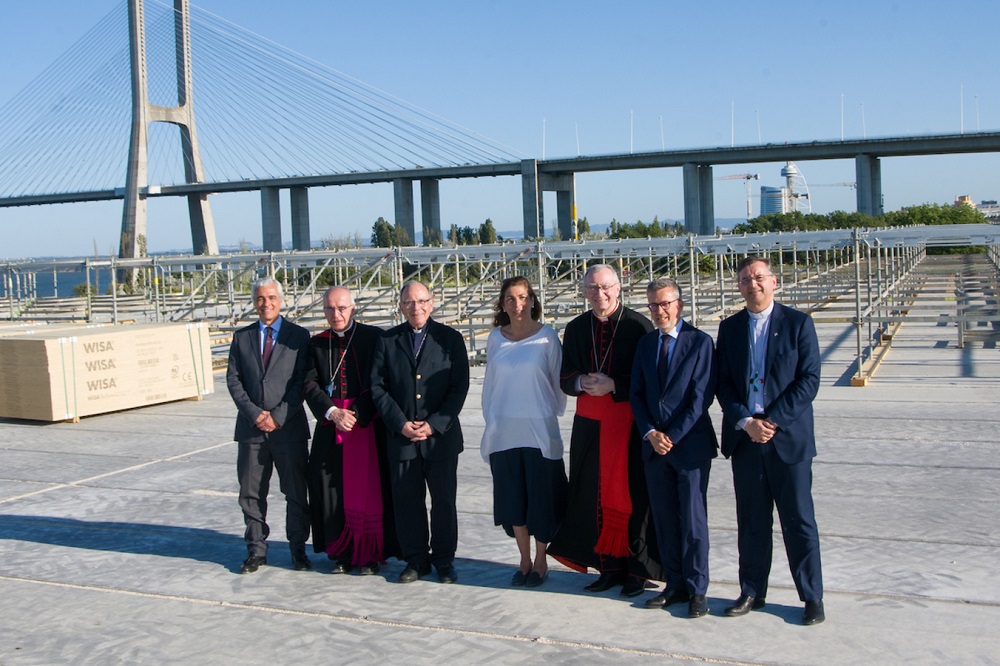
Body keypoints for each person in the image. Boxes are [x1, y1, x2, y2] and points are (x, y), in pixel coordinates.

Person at [716, 255, 825, 626]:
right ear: (739, 286)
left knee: (798, 521)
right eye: (745, 279)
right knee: (751, 521)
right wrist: (746, 421)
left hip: (787, 440)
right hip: (746, 439)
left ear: (774, 282)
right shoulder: (729, 329)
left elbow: (809, 379)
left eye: (759, 277)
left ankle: (811, 596)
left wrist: (772, 421)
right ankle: (751, 590)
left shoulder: (797, 324)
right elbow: (724, 383)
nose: (752, 284)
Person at [549, 263, 663, 598]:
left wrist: (615, 384)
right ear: (584, 292)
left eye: (606, 287)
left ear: (619, 287)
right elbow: (565, 376)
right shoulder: (576, 328)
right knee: (591, 494)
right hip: (588, 423)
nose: (600, 295)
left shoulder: (639, 326)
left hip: (628, 422)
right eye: (592, 289)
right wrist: (582, 381)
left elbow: (650, 381)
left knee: (631, 494)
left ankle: (636, 570)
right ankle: (607, 566)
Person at [370, 280, 470, 584]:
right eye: (409, 303)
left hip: (440, 438)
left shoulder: (450, 339)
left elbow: (459, 387)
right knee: (407, 503)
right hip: (401, 438)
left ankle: (443, 561)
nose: (416, 308)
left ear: (432, 302)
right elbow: (377, 386)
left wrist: (434, 423)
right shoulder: (388, 340)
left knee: (443, 502)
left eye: (422, 301)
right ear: (401, 306)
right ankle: (415, 560)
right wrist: (399, 423)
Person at [630, 277, 717, 618]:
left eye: (665, 303)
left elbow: (700, 398)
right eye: (653, 305)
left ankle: (697, 590)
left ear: (679, 305)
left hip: (689, 447)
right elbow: (637, 394)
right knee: (665, 519)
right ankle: (674, 584)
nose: (659, 310)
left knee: (693, 522)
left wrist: (672, 436)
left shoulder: (700, 343)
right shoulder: (646, 345)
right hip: (654, 448)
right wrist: (651, 432)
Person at [302, 286, 398, 575]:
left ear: (353, 308)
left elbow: (381, 381)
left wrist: (355, 413)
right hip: (331, 426)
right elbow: (309, 383)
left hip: (365, 425)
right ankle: (341, 552)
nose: (336, 314)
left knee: (369, 490)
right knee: (330, 489)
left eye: (342, 308)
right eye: (330, 309)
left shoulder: (374, 338)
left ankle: (369, 554)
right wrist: (332, 412)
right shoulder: (316, 343)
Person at [481, 276, 568, 588]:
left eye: (522, 297)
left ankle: (542, 560)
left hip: (538, 431)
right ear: (503, 305)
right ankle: (524, 559)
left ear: (532, 300)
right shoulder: (495, 339)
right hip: (504, 430)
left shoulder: (547, 338)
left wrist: (545, 413)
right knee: (513, 499)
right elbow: (491, 384)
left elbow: (558, 387)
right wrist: (490, 421)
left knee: (542, 499)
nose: (517, 305)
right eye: (510, 299)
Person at [226, 277, 312, 574]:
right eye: (261, 299)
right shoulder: (242, 337)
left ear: (281, 300)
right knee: (251, 493)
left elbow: (302, 381)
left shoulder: (299, 337)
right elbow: (234, 381)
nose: (266, 304)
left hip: (288, 429)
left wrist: (277, 415)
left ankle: (298, 550)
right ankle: (256, 550)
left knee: (296, 492)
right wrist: (255, 414)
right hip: (252, 431)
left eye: (272, 298)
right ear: (254, 302)